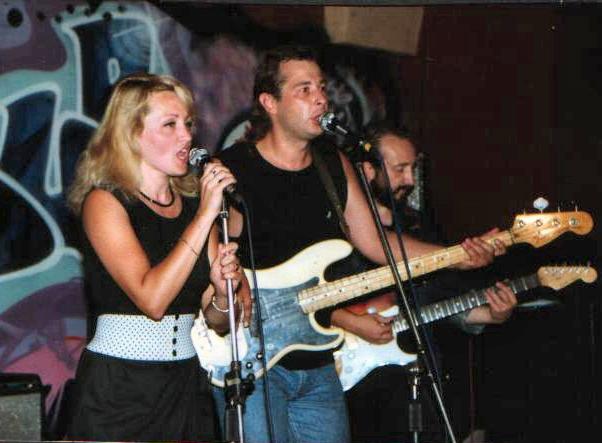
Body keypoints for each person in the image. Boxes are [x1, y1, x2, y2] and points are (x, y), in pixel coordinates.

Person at [213, 45, 506, 443]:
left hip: (318, 361)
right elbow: (214, 253)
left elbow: (378, 244)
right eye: (304, 89)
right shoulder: (235, 167)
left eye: (321, 87)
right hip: (257, 359)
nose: (321, 98)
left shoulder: (332, 164)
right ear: (270, 103)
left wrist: (457, 258)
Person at [65, 72, 251, 442]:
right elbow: (152, 299)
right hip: (120, 386)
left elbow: (218, 320)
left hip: (185, 383)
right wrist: (204, 217)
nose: (186, 136)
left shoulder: (195, 208)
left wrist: (221, 292)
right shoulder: (105, 202)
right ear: (131, 134)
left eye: (188, 124)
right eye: (170, 125)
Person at [341, 120, 518, 443]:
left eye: (413, 169)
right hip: (354, 386)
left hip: (415, 377)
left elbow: (437, 300)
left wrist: (493, 315)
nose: (410, 180)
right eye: (400, 169)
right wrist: (352, 323)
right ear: (367, 170)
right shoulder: (338, 231)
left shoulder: (418, 226)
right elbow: (310, 300)